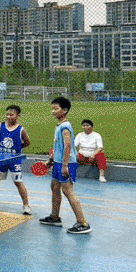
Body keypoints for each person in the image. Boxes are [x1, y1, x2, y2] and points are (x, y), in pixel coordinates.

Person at [39, 97, 91, 234]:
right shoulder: (59, 126)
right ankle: (55, 217)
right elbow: (59, 146)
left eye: (56, 109)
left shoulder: (65, 127)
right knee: (55, 186)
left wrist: (65, 165)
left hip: (66, 163)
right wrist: (51, 160)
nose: (53, 111)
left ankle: (83, 223)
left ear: (65, 110)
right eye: (52, 108)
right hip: (58, 162)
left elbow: (68, 146)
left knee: (68, 191)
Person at [0, 105, 32, 215]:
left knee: (18, 182)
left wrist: (18, 149)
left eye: (11, 115)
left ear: (17, 116)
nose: (8, 117)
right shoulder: (1, 126)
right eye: (7, 114)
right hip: (1, 159)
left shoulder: (21, 130)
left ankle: (26, 205)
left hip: (14, 160)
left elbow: (27, 142)